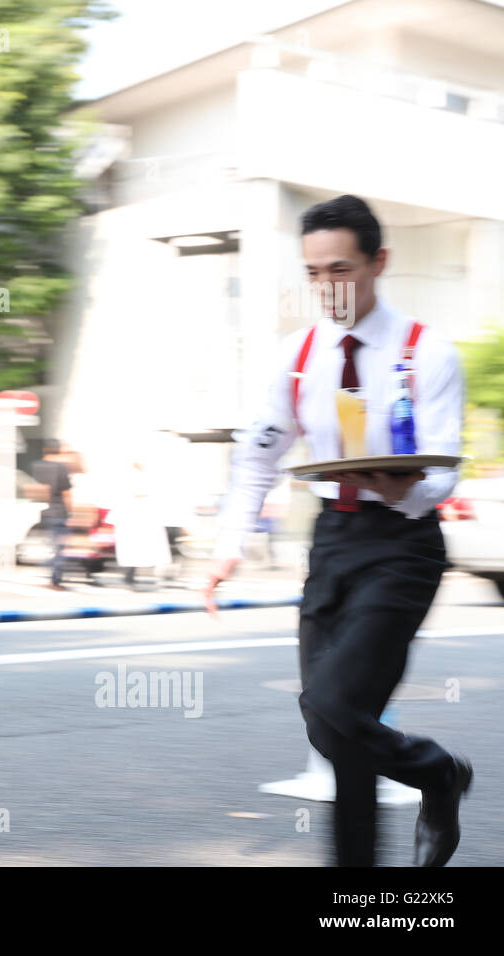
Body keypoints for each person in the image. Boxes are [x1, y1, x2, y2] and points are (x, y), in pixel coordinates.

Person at [203, 194, 471, 867]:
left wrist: (400, 486)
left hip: (402, 545)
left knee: (333, 704)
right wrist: (228, 545)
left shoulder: (425, 351)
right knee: (336, 732)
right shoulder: (295, 358)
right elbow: (257, 456)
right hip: (332, 542)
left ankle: (436, 771)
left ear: (379, 262)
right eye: (315, 273)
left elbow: (443, 473)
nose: (328, 288)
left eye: (341, 270)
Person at [111, 460, 172, 590]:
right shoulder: (138, 478)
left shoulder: (138, 478)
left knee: (136, 547)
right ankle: (132, 574)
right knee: (136, 547)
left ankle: (132, 574)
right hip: (137, 517)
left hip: (137, 518)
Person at [32, 441, 75, 589]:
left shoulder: (36, 467)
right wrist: (71, 512)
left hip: (44, 511)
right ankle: (55, 580)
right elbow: (66, 493)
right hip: (59, 511)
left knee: (49, 545)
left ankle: (48, 575)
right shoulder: (61, 468)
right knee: (59, 548)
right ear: (59, 451)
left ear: (45, 450)